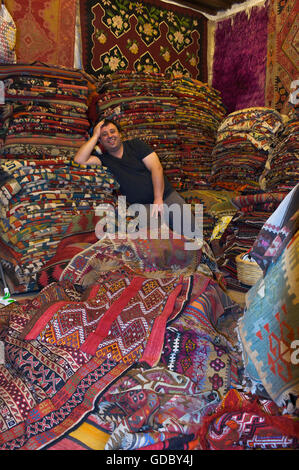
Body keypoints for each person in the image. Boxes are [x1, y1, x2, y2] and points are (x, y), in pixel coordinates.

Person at [74, 118, 198, 238]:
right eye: (104, 135)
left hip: (165, 196)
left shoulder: (136, 145)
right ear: (100, 141)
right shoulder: (104, 159)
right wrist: (95, 136)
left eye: (113, 131)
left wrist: (158, 199)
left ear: (120, 134)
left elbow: (156, 168)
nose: (110, 136)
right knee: (160, 241)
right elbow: (79, 160)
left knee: (192, 233)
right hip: (142, 207)